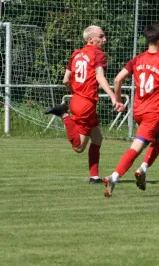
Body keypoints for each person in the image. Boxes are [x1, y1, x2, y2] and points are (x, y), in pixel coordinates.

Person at [103, 23, 159, 197]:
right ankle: (114, 176)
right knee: (136, 147)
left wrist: (119, 100)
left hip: (139, 110)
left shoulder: (137, 59)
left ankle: (143, 168)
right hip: (153, 112)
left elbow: (117, 79)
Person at [44, 25, 124, 184]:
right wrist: (114, 97)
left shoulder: (76, 54)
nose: (104, 39)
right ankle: (63, 115)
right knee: (79, 148)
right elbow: (100, 77)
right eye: (101, 36)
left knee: (97, 138)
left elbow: (66, 79)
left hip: (78, 99)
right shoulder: (98, 54)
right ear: (90, 39)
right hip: (85, 104)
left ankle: (94, 177)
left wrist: (78, 90)